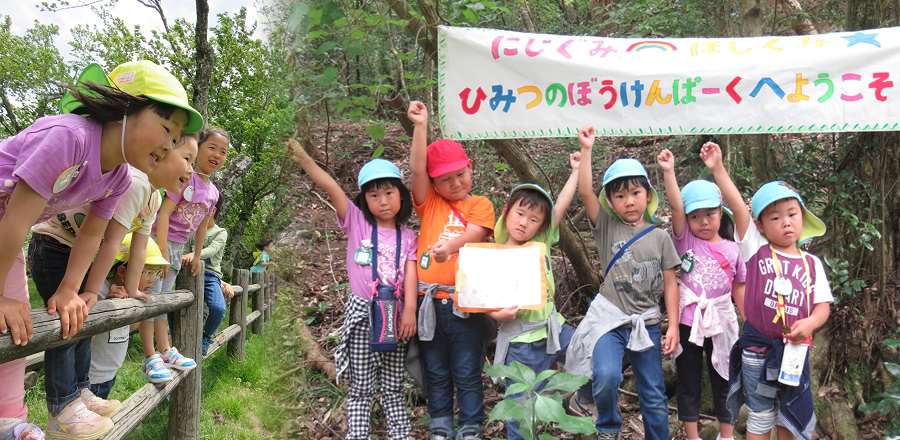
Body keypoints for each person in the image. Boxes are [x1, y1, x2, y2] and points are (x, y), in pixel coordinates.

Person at [12, 60, 201, 440]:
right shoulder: (75, 140)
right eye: (167, 131)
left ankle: (74, 394)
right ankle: (63, 405)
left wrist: (86, 291)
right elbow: (22, 223)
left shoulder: (126, 181)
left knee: (75, 314)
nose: (169, 146)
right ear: (124, 111)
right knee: (52, 323)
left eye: (175, 139)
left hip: (39, 244)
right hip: (35, 240)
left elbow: (108, 240)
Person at [287, 139, 418, 440]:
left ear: (401, 196)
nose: (383, 201)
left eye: (389, 193)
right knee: (361, 385)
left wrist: (409, 309)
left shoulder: (408, 236)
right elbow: (332, 188)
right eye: (374, 195)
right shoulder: (357, 223)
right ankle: (358, 435)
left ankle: (400, 434)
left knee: (393, 383)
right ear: (364, 201)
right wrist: (305, 159)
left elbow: (411, 274)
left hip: (395, 316)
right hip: (362, 312)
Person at [702, 142, 832, 440]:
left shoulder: (812, 263)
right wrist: (718, 168)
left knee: (790, 414)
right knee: (760, 416)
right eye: (775, 217)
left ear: (802, 217)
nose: (785, 221)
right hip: (757, 352)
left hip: (794, 352)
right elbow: (737, 207)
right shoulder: (757, 250)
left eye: (792, 214)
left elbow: (822, 307)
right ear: (760, 225)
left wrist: (810, 323)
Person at [565, 125, 680, 440]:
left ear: (647, 195)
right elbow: (586, 192)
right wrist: (586, 149)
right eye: (620, 195)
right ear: (611, 202)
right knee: (605, 375)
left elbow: (671, 283)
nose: (629, 201)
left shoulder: (659, 237)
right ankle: (608, 429)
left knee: (654, 393)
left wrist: (673, 325)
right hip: (610, 320)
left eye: (635, 193)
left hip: (648, 322)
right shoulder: (606, 227)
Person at [407, 101, 496, 440]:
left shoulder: (479, 204)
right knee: (437, 369)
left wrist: (449, 247)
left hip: (465, 305)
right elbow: (416, 172)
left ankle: (471, 424)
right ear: (434, 183)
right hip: (430, 304)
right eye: (445, 179)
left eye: (461, 174)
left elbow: (476, 232)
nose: (456, 183)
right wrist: (420, 126)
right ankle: (441, 423)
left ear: (470, 168)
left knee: (467, 369)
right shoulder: (430, 204)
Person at [488, 152, 590, 440]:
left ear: (541, 228)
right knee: (520, 408)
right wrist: (497, 314)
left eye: (533, 220)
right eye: (520, 214)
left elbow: (560, 207)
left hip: (553, 327)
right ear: (507, 211)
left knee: (593, 350)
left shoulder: (540, 241)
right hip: (521, 341)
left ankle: (574, 399)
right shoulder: (493, 253)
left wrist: (576, 170)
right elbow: (481, 298)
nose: (524, 223)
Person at [657, 148, 746, 440]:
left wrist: (748, 319)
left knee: (725, 378)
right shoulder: (685, 242)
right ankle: (693, 437)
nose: (704, 221)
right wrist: (668, 172)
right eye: (696, 216)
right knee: (689, 381)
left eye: (710, 214)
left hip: (722, 318)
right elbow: (676, 209)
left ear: (721, 213)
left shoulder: (733, 249)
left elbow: (739, 287)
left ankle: (727, 435)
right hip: (688, 320)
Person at [143, 127, 227, 382]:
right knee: (152, 300)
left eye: (223, 152)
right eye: (212, 147)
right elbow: (164, 214)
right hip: (159, 244)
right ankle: (149, 356)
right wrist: (162, 251)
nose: (217, 155)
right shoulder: (184, 178)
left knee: (164, 300)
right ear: (197, 149)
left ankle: (165, 350)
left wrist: (198, 255)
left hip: (179, 247)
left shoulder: (213, 192)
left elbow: (201, 225)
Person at [88, 234, 170, 399]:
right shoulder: (99, 292)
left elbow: (130, 328)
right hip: (89, 380)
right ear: (123, 271)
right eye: (147, 272)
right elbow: (85, 338)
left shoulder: (132, 294)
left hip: (108, 376)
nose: (152, 280)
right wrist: (107, 308)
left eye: (156, 274)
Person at [183, 194, 233, 356]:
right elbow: (183, 253)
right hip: (190, 275)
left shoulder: (220, 232)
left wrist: (195, 254)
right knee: (175, 309)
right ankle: (178, 343)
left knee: (218, 308)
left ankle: (206, 336)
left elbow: (212, 250)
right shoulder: (192, 231)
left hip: (211, 276)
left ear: (213, 210)